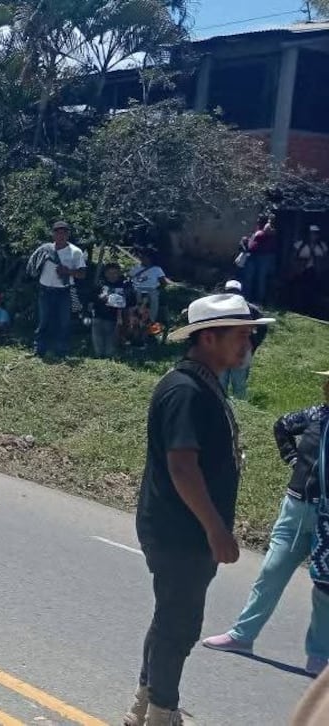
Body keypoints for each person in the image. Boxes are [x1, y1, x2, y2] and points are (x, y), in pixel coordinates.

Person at [122, 293, 274, 726]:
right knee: (180, 624)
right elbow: (182, 466)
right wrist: (215, 529)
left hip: (183, 526)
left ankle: (145, 703)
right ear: (209, 338)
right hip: (181, 529)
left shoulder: (202, 382)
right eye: (242, 335)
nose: (249, 344)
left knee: (171, 617)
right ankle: (162, 713)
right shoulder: (186, 390)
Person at [201, 368, 329, 676]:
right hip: (296, 507)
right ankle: (242, 635)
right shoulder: (315, 415)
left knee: (325, 589)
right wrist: (294, 460)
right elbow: (281, 426)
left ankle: (319, 656)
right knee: (271, 570)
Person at [30, 220, 87, 358]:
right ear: (53, 234)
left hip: (63, 291)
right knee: (44, 320)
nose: (60, 235)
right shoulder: (45, 249)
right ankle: (39, 349)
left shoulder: (75, 252)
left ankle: (62, 351)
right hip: (45, 290)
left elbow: (82, 274)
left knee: (64, 322)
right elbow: (34, 265)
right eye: (57, 232)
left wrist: (68, 272)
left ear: (68, 234)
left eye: (64, 232)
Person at [218, 280, 269, 400]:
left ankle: (240, 411)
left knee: (239, 383)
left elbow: (263, 326)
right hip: (222, 349)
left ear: (240, 294)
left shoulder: (250, 309)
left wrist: (254, 343)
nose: (232, 294)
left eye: (234, 292)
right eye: (229, 292)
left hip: (241, 350)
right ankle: (221, 407)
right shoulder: (218, 308)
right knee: (220, 382)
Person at [92, 263, 133, 359]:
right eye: (110, 273)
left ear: (119, 273)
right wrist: (100, 298)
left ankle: (109, 358)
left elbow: (130, 300)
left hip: (115, 318)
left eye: (115, 273)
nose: (112, 275)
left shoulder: (125, 285)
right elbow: (92, 297)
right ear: (105, 273)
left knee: (111, 343)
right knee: (98, 339)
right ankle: (98, 358)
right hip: (98, 315)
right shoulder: (100, 283)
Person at [242, 215, 279, 305]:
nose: (257, 222)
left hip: (262, 256)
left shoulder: (269, 230)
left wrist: (268, 224)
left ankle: (258, 300)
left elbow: (268, 233)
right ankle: (247, 298)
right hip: (253, 255)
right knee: (249, 277)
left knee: (260, 278)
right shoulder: (258, 230)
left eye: (259, 221)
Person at [130, 249, 170, 324]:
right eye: (142, 257)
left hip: (152, 289)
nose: (143, 259)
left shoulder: (157, 269)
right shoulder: (135, 269)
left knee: (153, 297)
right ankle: (134, 315)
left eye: (146, 257)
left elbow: (163, 282)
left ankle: (151, 319)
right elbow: (130, 279)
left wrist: (158, 288)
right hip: (137, 289)